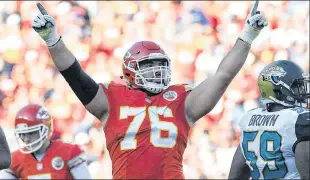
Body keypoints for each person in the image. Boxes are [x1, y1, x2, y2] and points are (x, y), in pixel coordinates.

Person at [32, 1, 268, 179]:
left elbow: (223, 76)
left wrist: (247, 36)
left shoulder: (182, 100)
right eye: (149, 65)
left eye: (160, 65)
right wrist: (52, 39)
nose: (157, 71)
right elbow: (74, 75)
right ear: (129, 71)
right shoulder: (111, 99)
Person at [228, 60, 310, 179]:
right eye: (297, 87)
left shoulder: (250, 118)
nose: (302, 91)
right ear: (280, 90)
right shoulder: (299, 120)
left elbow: (235, 176)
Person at [0, 104, 92, 179]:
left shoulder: (68, 152)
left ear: (46, 129)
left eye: (31, 133)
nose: (26, 139)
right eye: (22, 134)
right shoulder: (15, 159)